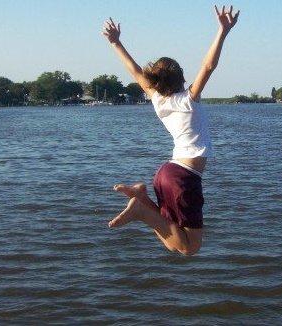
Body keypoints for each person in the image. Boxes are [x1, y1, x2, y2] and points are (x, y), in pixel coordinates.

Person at [102, 5, 240, 256]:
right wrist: (223, 31)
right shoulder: (189, 99)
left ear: (155, 82)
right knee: (190, 247)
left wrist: (115, 43)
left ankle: (142, 200)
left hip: (167, 174)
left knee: (175, 242)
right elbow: (208, 67)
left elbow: (134, 71)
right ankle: (142, 210)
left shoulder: (157, 100)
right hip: (183, 177)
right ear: (182, 78)